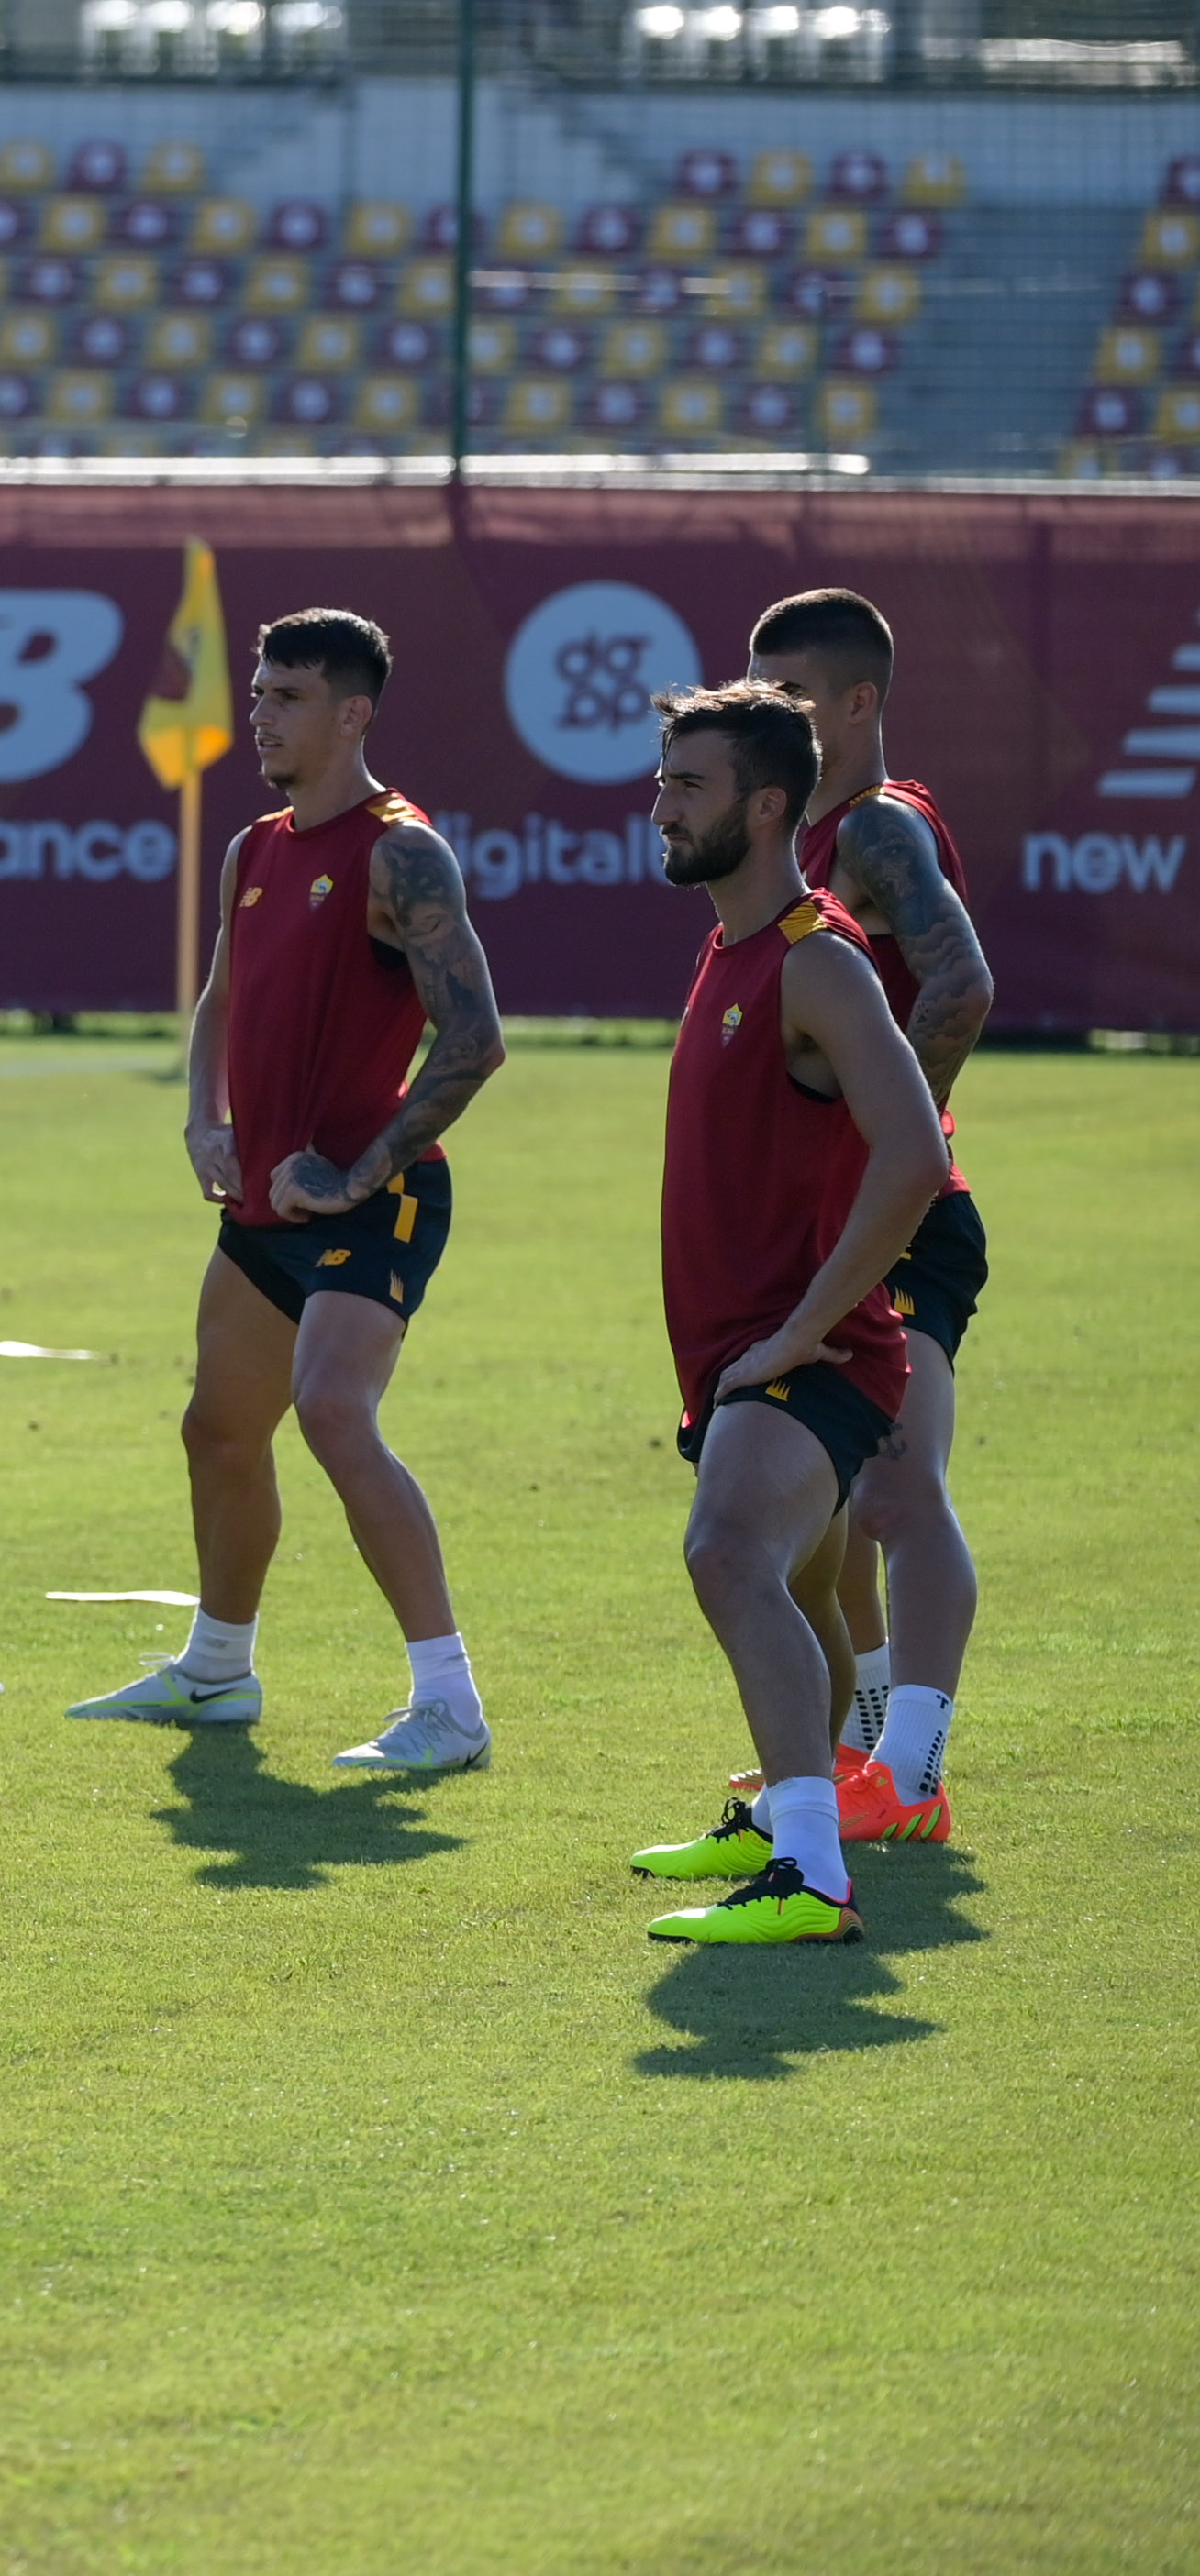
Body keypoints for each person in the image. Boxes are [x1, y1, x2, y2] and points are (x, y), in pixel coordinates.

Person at [72, 610, 507, 1768]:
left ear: (352, 713)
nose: (258, 713)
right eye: (258, 692)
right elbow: (218, 994)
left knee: (328, 1411)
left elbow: (473, 1041)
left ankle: (448, 1705)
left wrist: (357, 1170)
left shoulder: (400, 850)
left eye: (287, 696)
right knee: (216, 1429)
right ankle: (217, 1669)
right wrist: (201, 1119)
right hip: (262, 1207)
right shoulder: (251, 846)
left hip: (380, 1194)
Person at [626, 683, 948, 1947]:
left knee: (726, 1556)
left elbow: (914, 1153)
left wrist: (810, 1326)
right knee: (807, 1597)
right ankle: (786, 1817)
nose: (661, 805)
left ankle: (809, 1872)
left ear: (767, 805)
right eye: (662, 781)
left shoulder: (818, 960)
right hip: (737, 1355)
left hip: (807, 1357)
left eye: (686, 785)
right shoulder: (728, 945)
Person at [743, 587, 995, 1842]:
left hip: (902, 1216)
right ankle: (868, 1751)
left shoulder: (877, 829)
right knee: (829, 1503)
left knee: (898, 1496)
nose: (767, 717)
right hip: (842, 1217)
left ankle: (915, 1767)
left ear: (859, 704)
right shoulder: (827, 830)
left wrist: (896, 1145)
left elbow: (962, 979)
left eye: (790, 696)